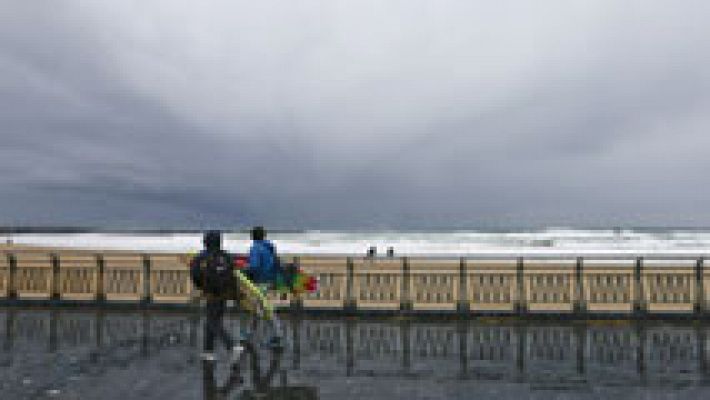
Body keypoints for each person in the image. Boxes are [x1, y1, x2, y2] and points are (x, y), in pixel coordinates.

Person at [190, 230, 243, 362]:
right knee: (212, 321)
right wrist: (235, 294)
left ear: (206, 241)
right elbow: (233, 275)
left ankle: (231, 346)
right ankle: (208, 352)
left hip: (211, 294)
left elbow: (195, 275)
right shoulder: (226, 256)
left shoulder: (201, 257)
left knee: (213, 322)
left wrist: (201, 287)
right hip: (225, 294)